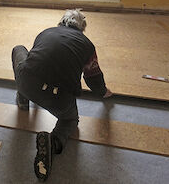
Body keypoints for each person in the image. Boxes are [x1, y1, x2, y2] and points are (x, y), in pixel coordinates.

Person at [11, 9, 112, 182]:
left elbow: (37, 59)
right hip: (58, 96)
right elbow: (93, 77)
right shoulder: (87, 45)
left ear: (61, 22)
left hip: (27, 82)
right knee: (70, 120)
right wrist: (103, 92)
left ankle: (23, 99)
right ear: (82, 28)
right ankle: (53, 142)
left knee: (19, 50)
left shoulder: (46, 32)